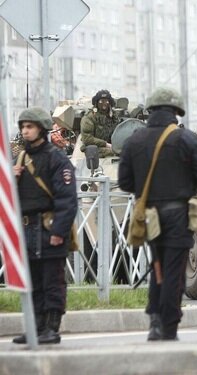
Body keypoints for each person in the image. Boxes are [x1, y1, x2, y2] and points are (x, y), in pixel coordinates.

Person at [118, 87, 197, 341]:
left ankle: (154, 320)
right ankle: (168, 324)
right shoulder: (186, 139)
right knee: (174, 270)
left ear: (150, 110)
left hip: (148, 216)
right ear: (176, 111)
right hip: (178, 214)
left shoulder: (134, 140)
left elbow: (125, 183)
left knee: (158, 266)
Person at [12, 107, 78, 345]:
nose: (25, 131)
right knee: (33, 282)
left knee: (52, 281)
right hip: (26, 229)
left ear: (41, 128)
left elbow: (67, 199)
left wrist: (59, 232)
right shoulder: (19, 160)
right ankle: (36, 327)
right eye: (23, 127)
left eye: (29, 127)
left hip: (49, 227)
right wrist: (12, 178)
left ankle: (51, 327)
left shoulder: (56, 158)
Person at [80, 89, 120, 157]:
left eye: (107, 101)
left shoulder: (113, 117)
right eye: (101, 101)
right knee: (113, 152)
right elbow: (87, 139)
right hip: (94, 148)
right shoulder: (89, 117)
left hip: (112, 146)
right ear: (96, 103)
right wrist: (105, 144)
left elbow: (118, 132)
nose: (104, 104)